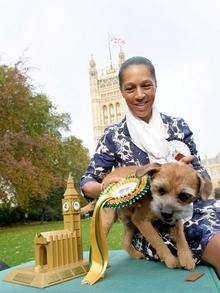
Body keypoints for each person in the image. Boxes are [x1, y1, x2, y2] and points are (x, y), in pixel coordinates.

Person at [81, 56, 220, 277]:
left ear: (156, 85)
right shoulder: (113, 136)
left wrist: (190, 172)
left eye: (146, 85)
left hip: (188, 211)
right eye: (130, 88)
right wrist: (116, 187)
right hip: (149, 225)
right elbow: (87, 183)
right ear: (121, 91)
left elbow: (202, 176)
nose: (139, 95)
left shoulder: (176, 125)